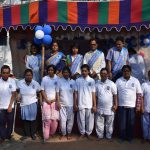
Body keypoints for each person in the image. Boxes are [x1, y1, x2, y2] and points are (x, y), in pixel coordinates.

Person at [116, 65, 142, 142]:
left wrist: (138, 106)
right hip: (121, 106)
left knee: (130, 124)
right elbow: (115, 94)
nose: (126, 72)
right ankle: (122, 138)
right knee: (122, 124)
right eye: (124, 71)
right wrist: (116, 104)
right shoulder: (118, 81)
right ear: (122, 72)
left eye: (127, 71)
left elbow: (139, 94)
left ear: (130, 72)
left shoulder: (135, 80)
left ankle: (129, 138)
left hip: (132, 106)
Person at [17, 69, 41, 140]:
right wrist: (17, 97)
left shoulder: (35, 83)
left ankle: (33, 133)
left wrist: (40, 99)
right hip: (24, 104)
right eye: (27, 75)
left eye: (30, 75)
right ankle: (27, 134)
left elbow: (40, 91)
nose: (28, 76)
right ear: (24, 76)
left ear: (32, 76)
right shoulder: (20, 83)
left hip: (33, 103)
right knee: (25, 120)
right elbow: (17, 91)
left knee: (33, 120)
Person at [74, 64, 96, 139]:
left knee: (89, 120)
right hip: (80, 103)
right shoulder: (77, 80)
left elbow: (93, 94)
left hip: (89, 104)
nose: (84, 72)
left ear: (88, 71)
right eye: (82, 71)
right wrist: (75, 104)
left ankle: (88, 133)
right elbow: (76, 93)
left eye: (85, 71)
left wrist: (94, 105)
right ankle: (82, 133)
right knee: (80, 120)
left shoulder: (92, 80)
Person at [95, 68, 117, 141]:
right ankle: (100, 136)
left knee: (109, 123)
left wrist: (115, 104)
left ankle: (109, 136)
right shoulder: (97, 83)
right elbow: (95, 96)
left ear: (107, 74)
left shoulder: (111, 83)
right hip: (100, 107)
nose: (103, 75)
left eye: (105, 73)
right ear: (100, 74)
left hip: (110, 108)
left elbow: (115, 95)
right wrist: (95, 105)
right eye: (102, 73)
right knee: (99, 122)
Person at [41, 65, 59, 142]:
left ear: (54, 71)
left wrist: (55, 99)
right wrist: (46, 100)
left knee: (54, 121)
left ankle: (52, 133)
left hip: (54, 102)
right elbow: (42, 90)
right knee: (47, 120)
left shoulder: (57, 78)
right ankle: (46, 137)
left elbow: (58, 91)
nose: (50, 71)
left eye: (52, 70)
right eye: (49, 70)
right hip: (46, 102)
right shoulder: (44, 79)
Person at [56, 67, 76, 140]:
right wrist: (58, 102)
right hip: (62, 104)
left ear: (69, 73)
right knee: (62, 120)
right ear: (62, 73)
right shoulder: (59, 81)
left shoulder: (73, 82)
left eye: (67, 72)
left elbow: (74, 94)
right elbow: (57, 92)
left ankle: (69, 133)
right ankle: (63, 133)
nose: (65, 73)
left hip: (71, 104)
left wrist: (75, 104)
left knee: (70, 120)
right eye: (64, 72)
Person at [0, 65, 16, 143]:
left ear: (9, 73)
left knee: (10, 122)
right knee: (1, 122)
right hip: (1, 107)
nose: (5, 74)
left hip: (10, 106)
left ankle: (8, 136)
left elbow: (13, 94)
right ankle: (3, 137)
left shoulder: (12, 81)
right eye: (4, 73)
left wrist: (10, 106)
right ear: (1, 73)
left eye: (7, 73)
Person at [141, 70, 150, 142]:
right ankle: (145, 137)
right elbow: (141, 97)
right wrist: (141, 107)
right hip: (146, 108)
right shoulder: (144, 85)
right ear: (148, 75)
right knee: (144, 124)